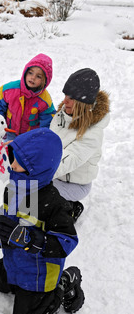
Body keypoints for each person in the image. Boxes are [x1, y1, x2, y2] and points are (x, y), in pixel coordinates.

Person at [0, 128, 84, 314]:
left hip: (40, 273)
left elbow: (67, 241)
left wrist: (32, 240)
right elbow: (6, 217)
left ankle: (65, 283)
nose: (11, 166)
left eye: (18, 164)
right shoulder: (14, 189)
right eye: (12, 160)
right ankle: (18, 278)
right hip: (17, 261)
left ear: (36, 169)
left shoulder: (54, 204)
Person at [51, 68, 110, 221]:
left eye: (70, 97)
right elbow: (48, 143)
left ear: (83, 102)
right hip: (56, 176)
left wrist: (38, 172)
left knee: (35, 192)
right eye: (65, 95)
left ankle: (69, 209)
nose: (65, 101)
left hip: (75, 185)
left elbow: (69, 159)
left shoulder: (93, 134)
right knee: (25, 188)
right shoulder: (62, 116)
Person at [0, 54, 56, 141]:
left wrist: (41, 138)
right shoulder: (11, 90)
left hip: (30, 137)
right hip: (10, 132)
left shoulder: (44, 100)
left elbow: (47, 120)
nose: (33, 77)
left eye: (38, 76)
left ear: (44, 81)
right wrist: (0, 124)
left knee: (24, 154)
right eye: (30, 73)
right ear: (25, 72)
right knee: (8, 152)